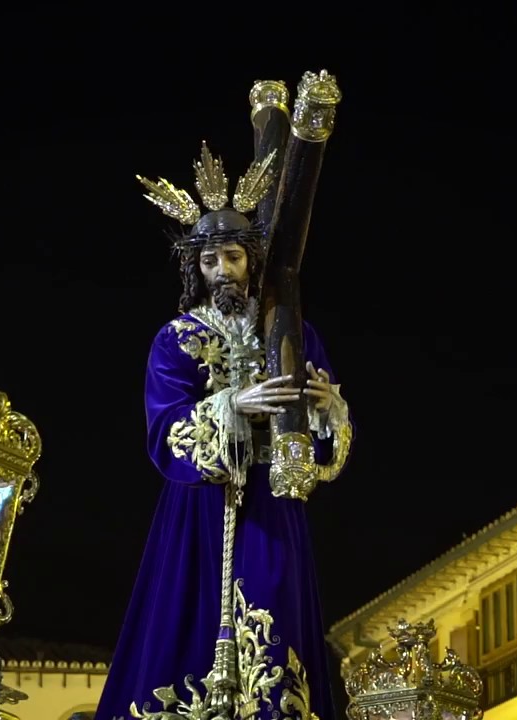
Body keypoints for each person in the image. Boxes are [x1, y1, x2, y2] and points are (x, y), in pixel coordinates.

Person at [93, 143, 353, 720]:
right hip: (200, 506)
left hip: (270, 499)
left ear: (252, 261)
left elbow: (328, 425)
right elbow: (165, 429)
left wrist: (327, 408)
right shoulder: (175, 338)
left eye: (232, 258)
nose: (221, 272)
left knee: (276, 601)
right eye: (209, 262)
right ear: (196, 268)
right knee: (185, 615)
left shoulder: (291, 332)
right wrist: (234, 404)